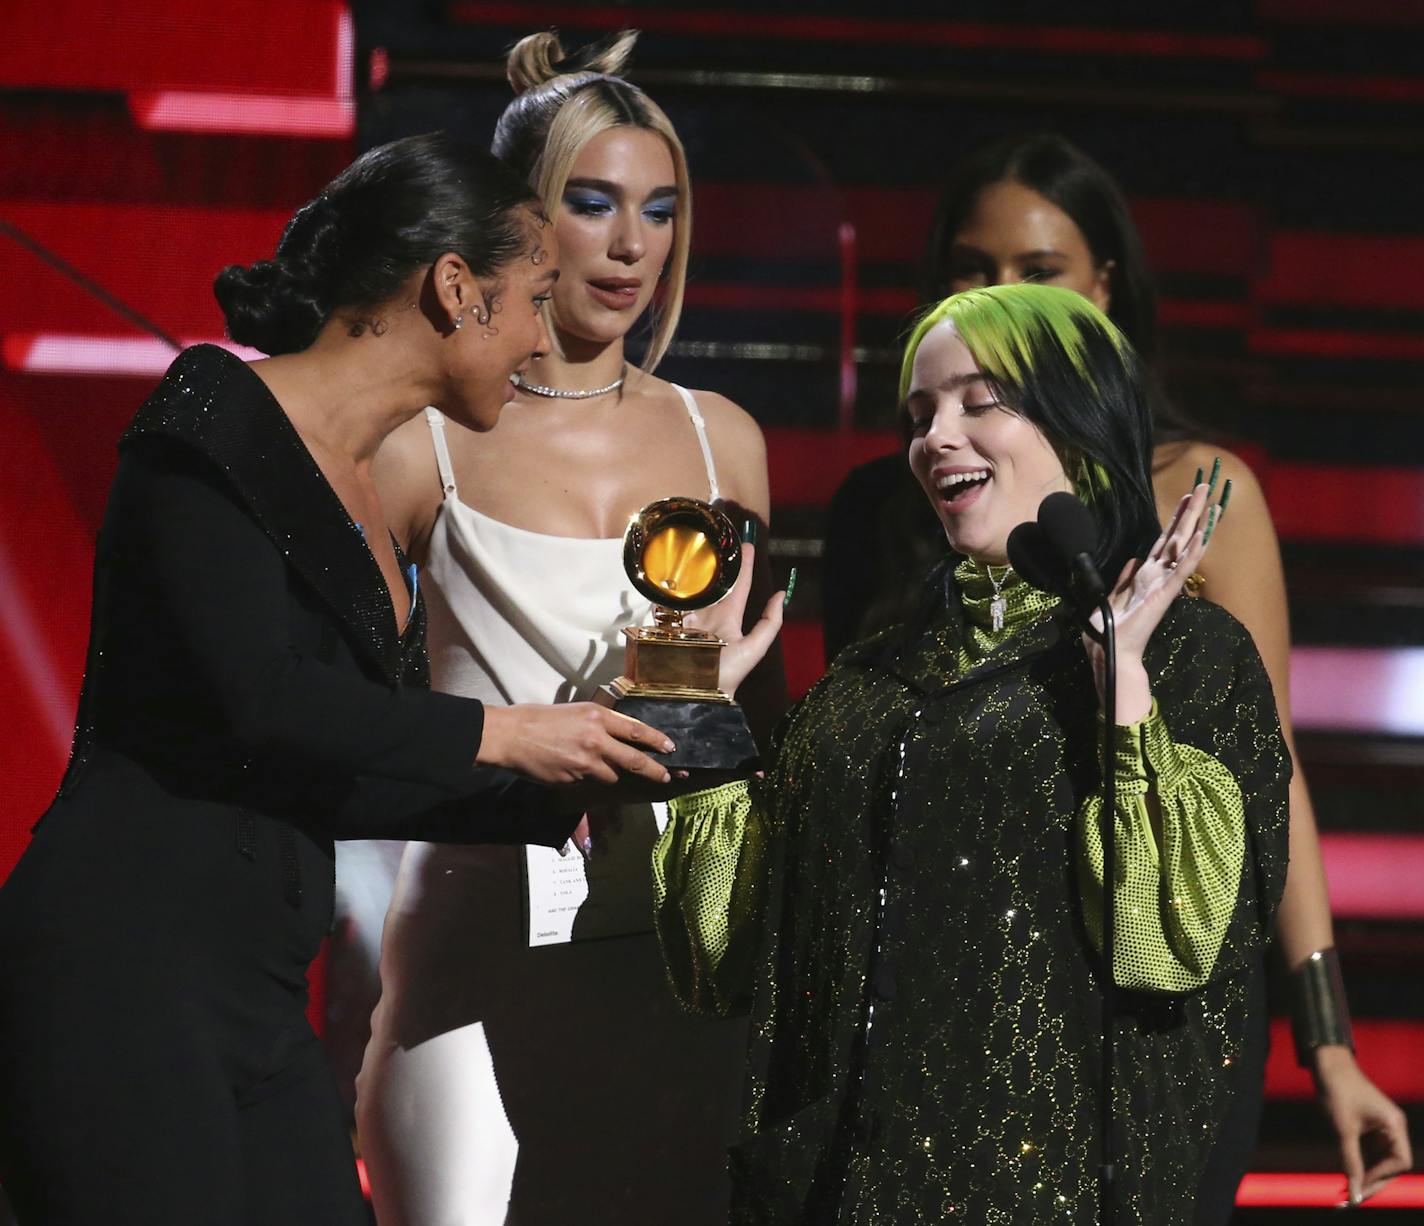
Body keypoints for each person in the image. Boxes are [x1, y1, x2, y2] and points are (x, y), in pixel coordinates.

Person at [0, 132, 677, 1226]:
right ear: (456, 288)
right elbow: (259, 695)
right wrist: (504, 732)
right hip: (120, 963)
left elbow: (340, 764)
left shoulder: (376, 495)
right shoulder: (213, 414)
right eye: (533, 300)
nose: (542, 339)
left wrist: (569, 783)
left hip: (258, 989)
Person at [820, 133, 1411, 1214]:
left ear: (1102, 285)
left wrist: (1325, 1040)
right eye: (972, 268)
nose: (1002, 293)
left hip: (1155, 1012)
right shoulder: (889, 501)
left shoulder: (1199, 487)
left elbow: (1263, 766)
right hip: (942, 1021)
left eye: (1037, 272)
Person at [657, 282, 1291, 1222]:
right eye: (920, 415)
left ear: (1079, 422)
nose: (935, 438)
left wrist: (1123, 696)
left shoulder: (1192, 657)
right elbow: (720, 962)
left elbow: (1173, 944)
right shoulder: (867, 684)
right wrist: (700, 712)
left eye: (979, 401)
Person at [356, 31, 783, 1226]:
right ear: (522, 217)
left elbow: (757, 724)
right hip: (472, 927)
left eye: (657, 208)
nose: (630, 243)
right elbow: (340, 712)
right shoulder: (421, 439)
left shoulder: (722, 440)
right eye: (592, 204)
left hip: (674, 940)